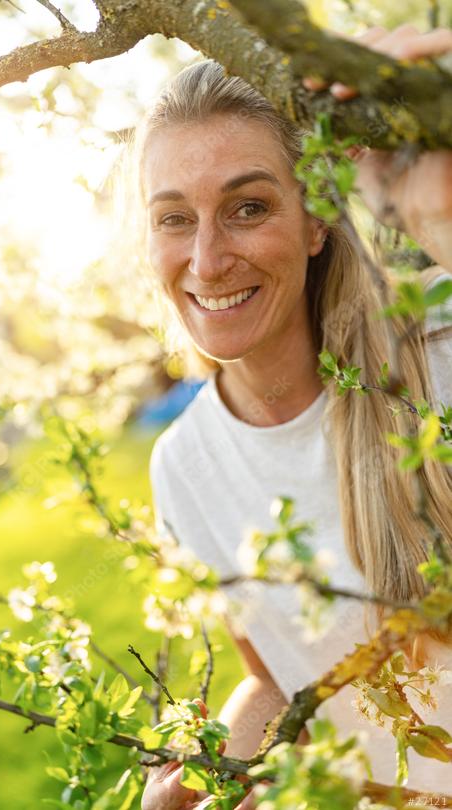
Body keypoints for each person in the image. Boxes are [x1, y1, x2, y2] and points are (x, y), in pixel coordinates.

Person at [137, 24, 452, 809]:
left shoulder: (439, 364)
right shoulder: (183, 467)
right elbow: (277, 677)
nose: (206, 261)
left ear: (317, 220)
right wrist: (215, 773)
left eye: (246, 207)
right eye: (175, 218)